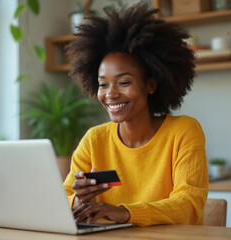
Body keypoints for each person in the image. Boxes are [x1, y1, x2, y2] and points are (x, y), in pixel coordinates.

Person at [63, 3, 208, 227]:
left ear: (150, 84)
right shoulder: (94, 140)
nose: (110, 94)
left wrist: (126, 213)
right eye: (103, 84)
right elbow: (62, 198)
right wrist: (78, 200)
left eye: (123, 82)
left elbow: (188, 204)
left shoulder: (184, 131)